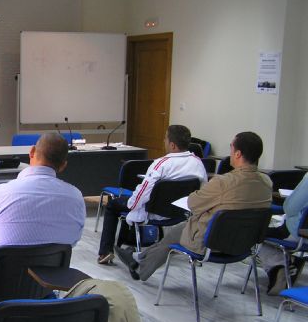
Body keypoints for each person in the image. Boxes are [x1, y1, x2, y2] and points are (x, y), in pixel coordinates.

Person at [116, 131, 272, 282]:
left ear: (237, 154)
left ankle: (140, 267)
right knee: (176, 233)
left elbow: (193, 203)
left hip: (212, 241)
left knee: (173, 235)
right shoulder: (267, 183)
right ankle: (139, 258)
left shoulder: (223, 182)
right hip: (245, 243)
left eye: (231, 147)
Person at [0, 133, 85, 277]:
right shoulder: (76, 197)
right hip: (46, 286)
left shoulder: (0, 194)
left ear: (32, 152)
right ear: (63, 165)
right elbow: (71, 242)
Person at [97, 125, 207, 268]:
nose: (164, 141)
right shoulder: (198, 163)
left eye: (165, 138)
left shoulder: (161, 164)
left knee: (113, 205)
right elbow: (203, 191)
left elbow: (143, 193)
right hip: (182, 214)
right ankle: (128, 243)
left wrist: (131, 205)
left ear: (172, 145)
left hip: (155, 212)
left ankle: (105, 252)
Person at [260, 172, 308, 294]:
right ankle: (291, 263)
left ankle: (279, 266)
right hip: (303, 234)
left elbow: (290, 208)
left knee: (256, 233)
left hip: (299, 234)